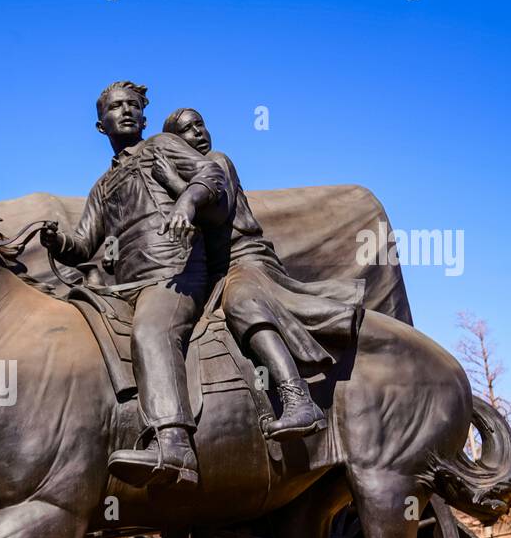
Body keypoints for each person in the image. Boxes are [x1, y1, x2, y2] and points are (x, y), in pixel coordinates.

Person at [41, 81, 226, 488]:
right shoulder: (101, 187)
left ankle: (175, 444)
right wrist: (57, 241)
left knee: (152, 330)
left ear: (143, 116)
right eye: (114, 107)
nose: (125, 112)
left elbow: (211, 172)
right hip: (125, 287)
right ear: (99, 125)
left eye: (132, 106)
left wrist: (187, 201)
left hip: (175, 277)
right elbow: (84, 244)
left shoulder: (161, 145)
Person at [160, 107, 365, 437]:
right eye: (187, 130)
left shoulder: (216, 161)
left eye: (200, 125)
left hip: (245, 259)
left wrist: (173, 183)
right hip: (213, 274)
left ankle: (298, 399)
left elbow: (216, 214)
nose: (198, 132)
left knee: (241, 302)